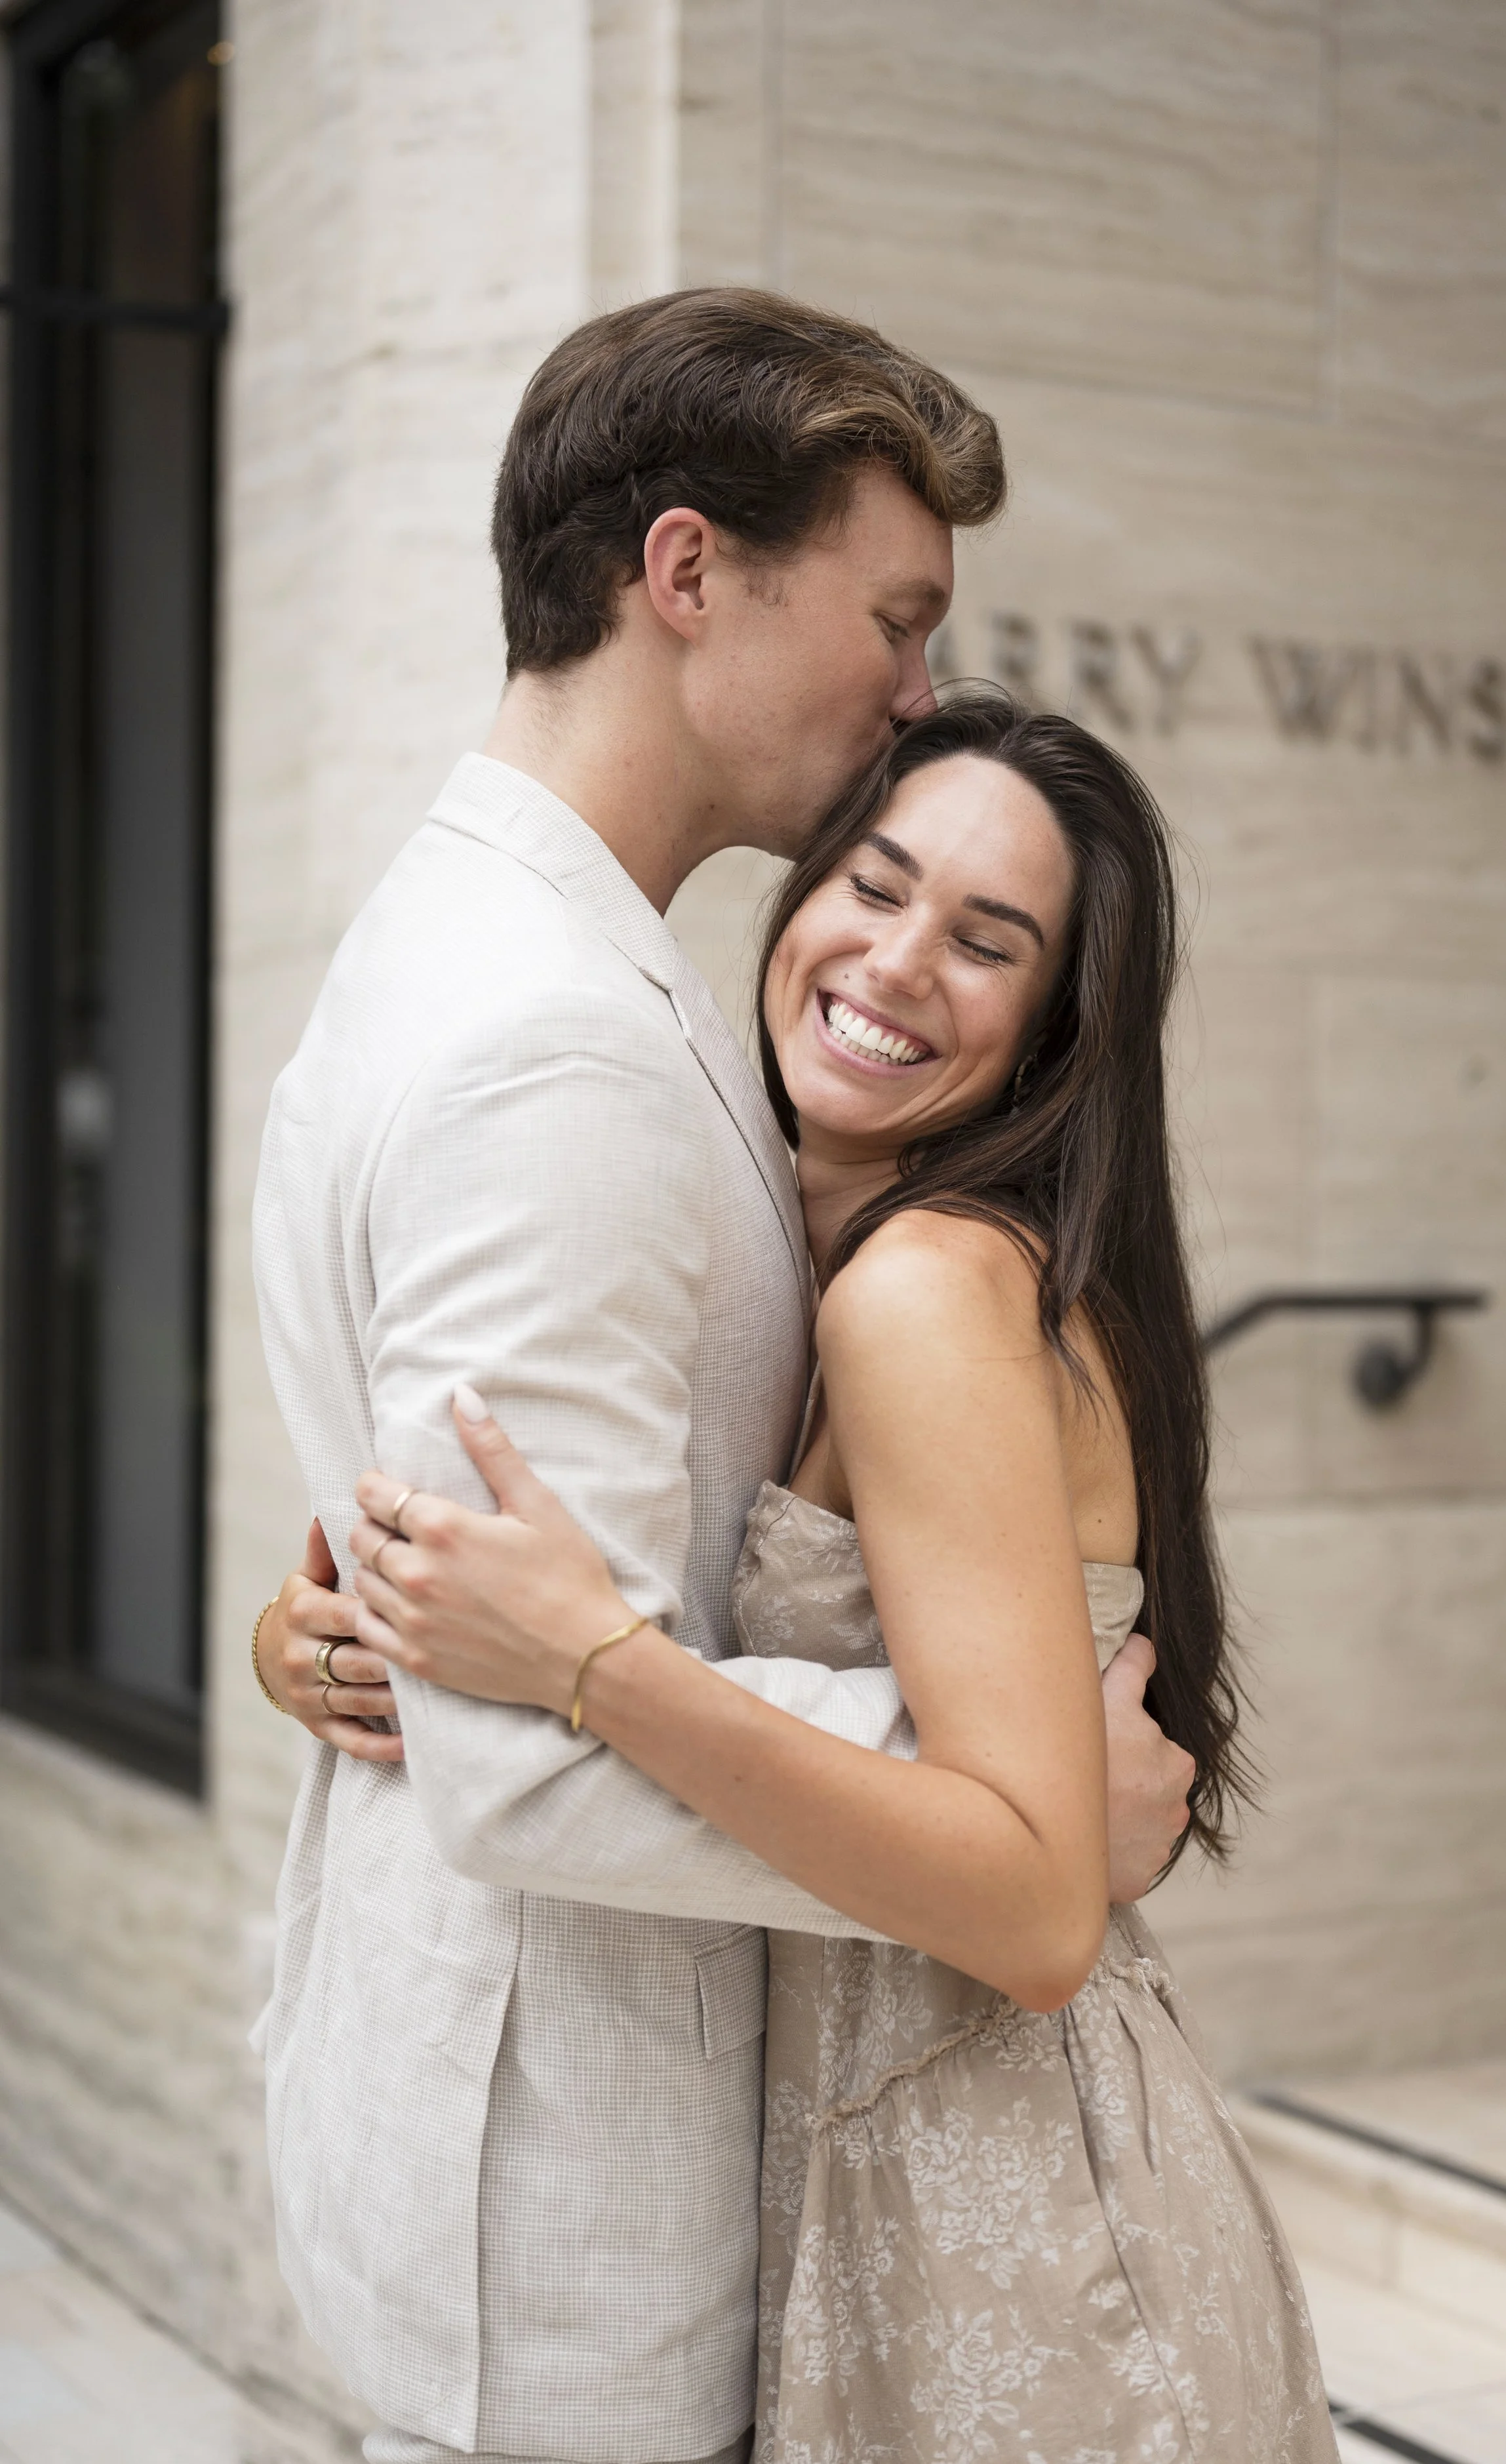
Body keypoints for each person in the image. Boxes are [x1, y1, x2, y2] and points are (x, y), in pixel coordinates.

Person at [250, 292, 1197, 2464]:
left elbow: (500, 1569)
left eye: (987, 936)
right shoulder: (558, 1039)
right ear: (688, 574)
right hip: (568, 2186)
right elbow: (518, 1741)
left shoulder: (491, 943)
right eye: (892, 612)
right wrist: (1036, 1792)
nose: (913, 687)